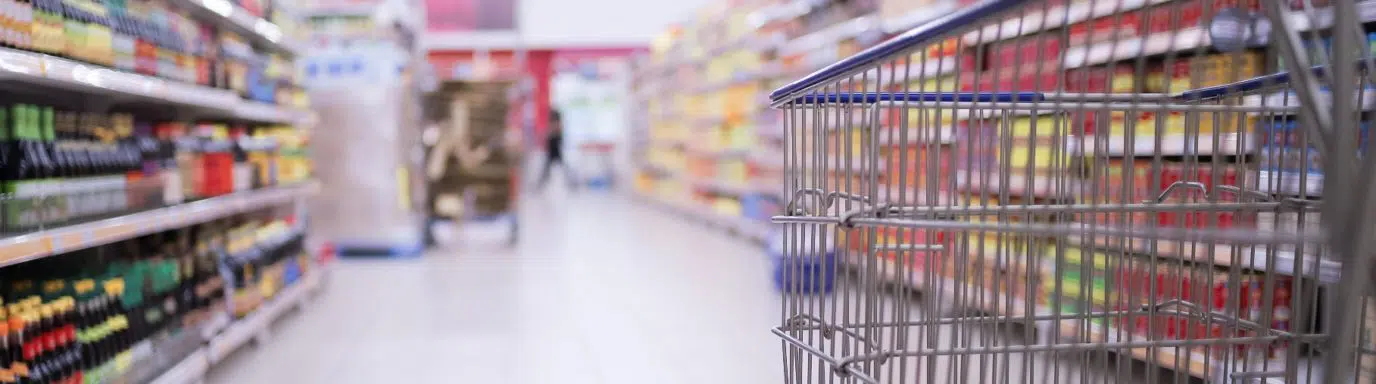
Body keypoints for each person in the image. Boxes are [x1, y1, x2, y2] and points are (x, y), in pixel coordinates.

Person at [538, 110, 576, 190]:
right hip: (552, 152)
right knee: (546, 169)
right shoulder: (552, 127)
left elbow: (559, 139)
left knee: (564, 168)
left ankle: (572, 183)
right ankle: (540, 185)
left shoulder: (558, 128)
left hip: (557, 151)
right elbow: (548, 140)